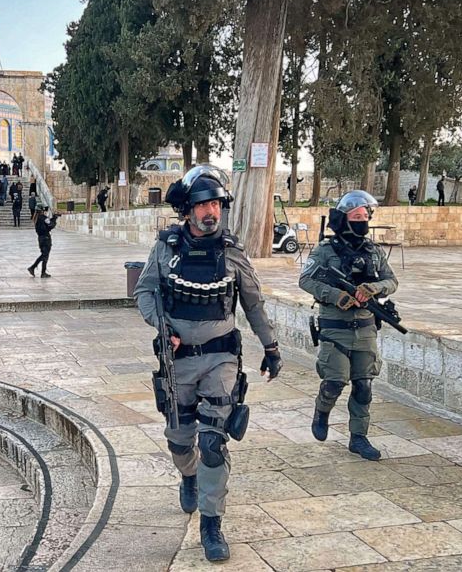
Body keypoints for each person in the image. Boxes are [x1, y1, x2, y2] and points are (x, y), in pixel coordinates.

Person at [133, 165, 281, 562]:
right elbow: (145, 292)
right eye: (202, 204)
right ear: (188, 210)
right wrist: (161, 326)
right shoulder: (165, 248)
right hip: (177, 360)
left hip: (220, 358)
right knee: (180, 440)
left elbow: (252, 302)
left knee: (213, 442)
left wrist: (271, 347)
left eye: (215, 202)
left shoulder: (232, 251)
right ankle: (188, 475)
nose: (209, 211)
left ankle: (211, 524)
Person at [299, 190, 397, 463]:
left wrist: (373, 288)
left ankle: (358, 437)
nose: (362, 221)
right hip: (335, 326)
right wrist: (336, 296)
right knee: (334, 381)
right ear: (343, 219)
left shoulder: (373, 251)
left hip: (365, 326)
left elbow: (392, 281)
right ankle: (322, 411)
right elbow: (306, 280)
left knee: (364, 385)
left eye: (365, 216)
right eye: (356, 217)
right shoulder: (325, 250)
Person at [28, 205, 60, 277]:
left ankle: (37, 269)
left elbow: (46, 224)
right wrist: (54, 218)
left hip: (41, 238)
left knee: (44, 255)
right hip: (46, 238)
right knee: (45, 255)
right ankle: (37, 269)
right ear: (41, 211)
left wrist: (52, 218)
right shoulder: (43, 218)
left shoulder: (37, 218)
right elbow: (50, 225)